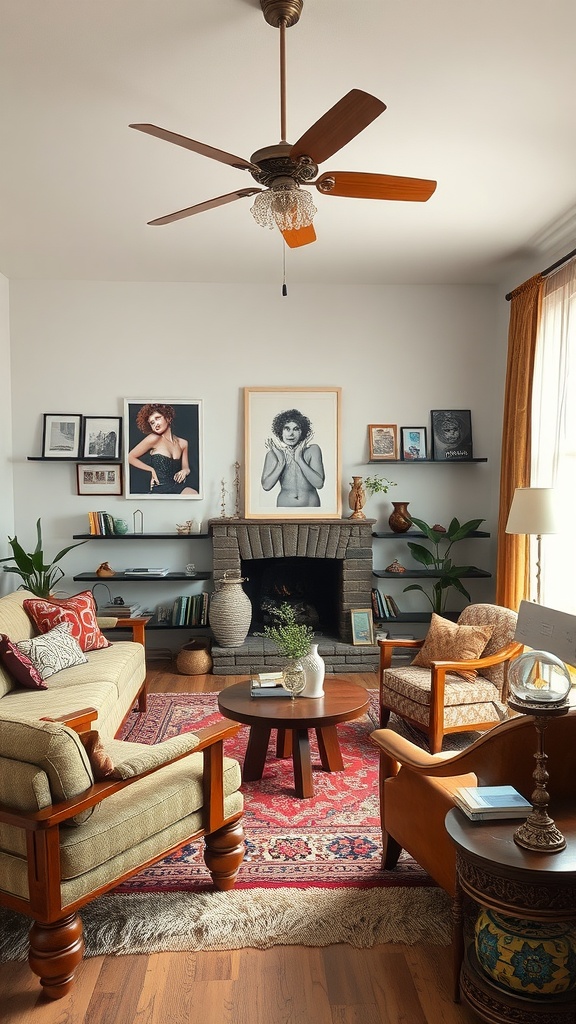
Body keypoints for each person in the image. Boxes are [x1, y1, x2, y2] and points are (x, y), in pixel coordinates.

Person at [128, 403, 198, 494]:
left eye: (157, 418)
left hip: (178, 487)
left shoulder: (183, 443)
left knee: (193, 494)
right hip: (160, 488)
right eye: (152, 423)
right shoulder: (153, 438)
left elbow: (186, 468)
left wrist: (185, 471)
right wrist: (151, 470)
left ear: (168, 418)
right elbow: (130, 457)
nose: (155, 424)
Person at [261, 408, 325, 507]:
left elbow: (319, 484)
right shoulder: (273, 454)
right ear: (280, 431)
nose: (291, 434)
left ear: (302, 432)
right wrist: (281, 463)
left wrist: (299, 459)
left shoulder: (313, 450)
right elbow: (266, 486)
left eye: (296, 429)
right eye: (287, 429)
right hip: (284, 509)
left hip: (311, 508)